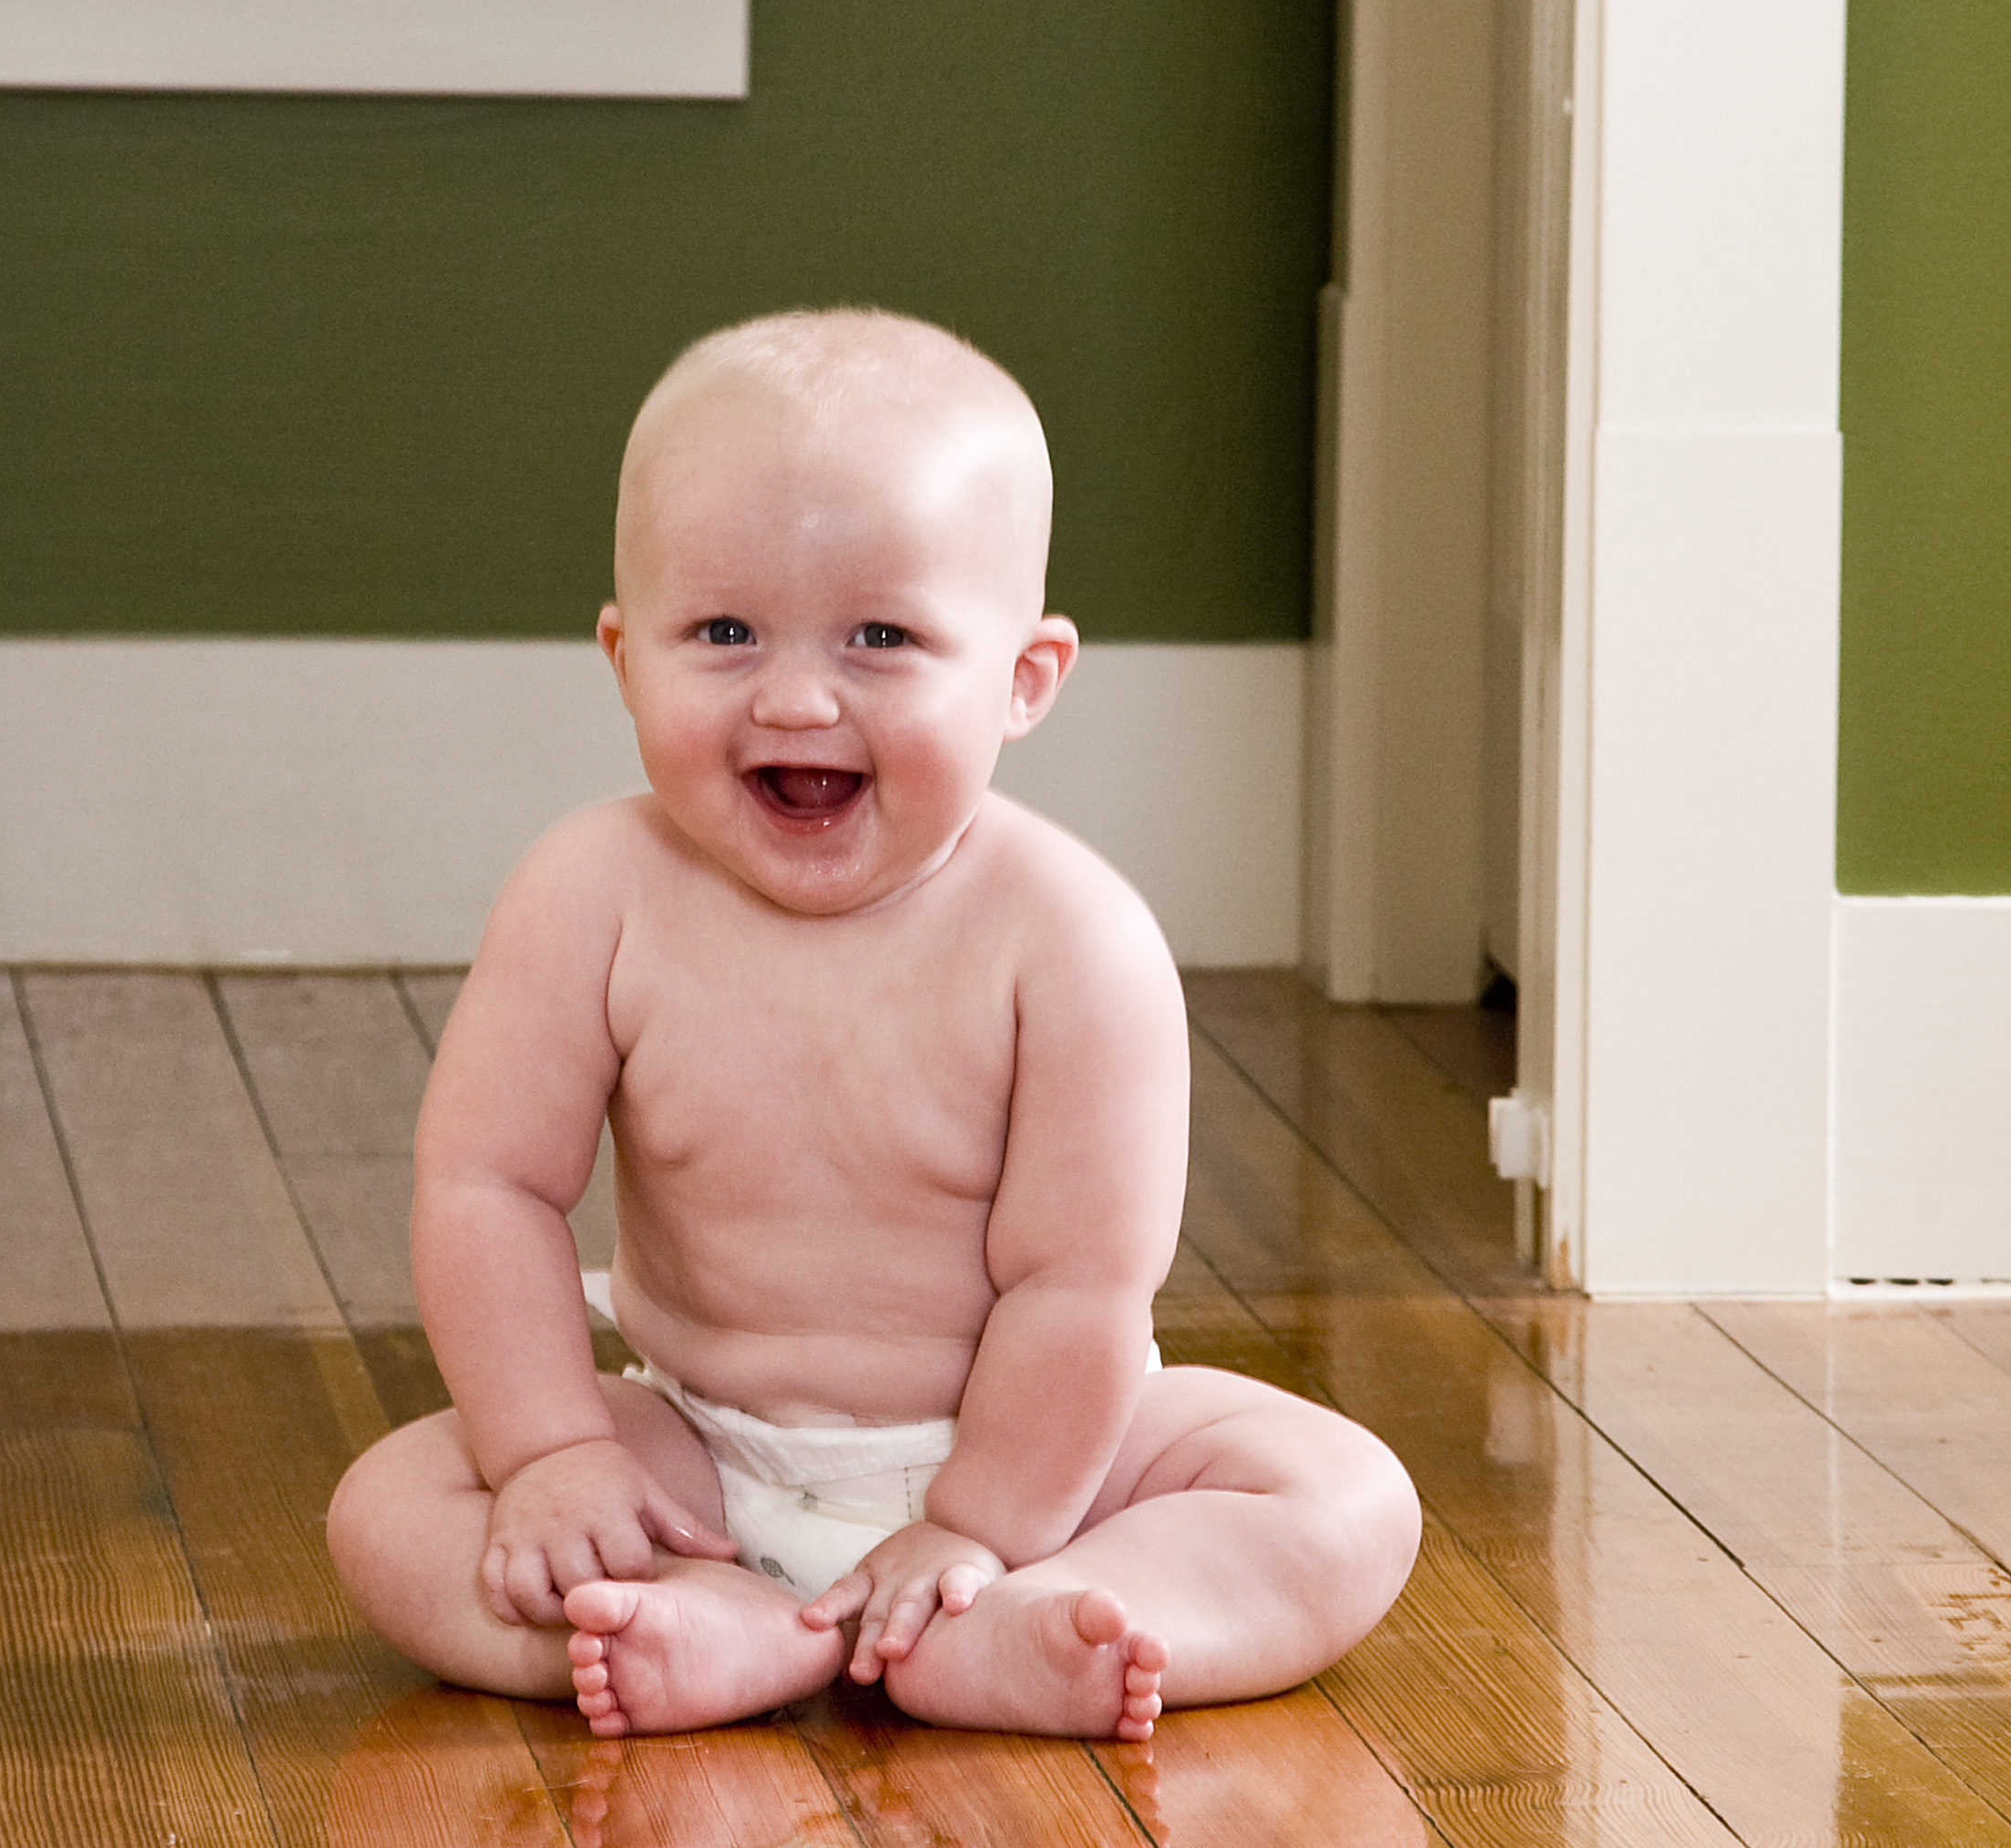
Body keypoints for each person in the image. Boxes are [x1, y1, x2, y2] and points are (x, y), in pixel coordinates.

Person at [326, 306, 1422, 1739]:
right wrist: (554, 1455)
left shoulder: (1070, 941)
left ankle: (1019, 1620)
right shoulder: (591, 895)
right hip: (706, 1452)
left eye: (883, 638)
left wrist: (979, 1522)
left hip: (1044, 1458)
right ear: (620, 656)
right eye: (721, 632)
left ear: (1024, 681)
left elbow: (1078, 1288)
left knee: (1343, 1501)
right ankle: (701, 1623)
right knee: (392, 1510)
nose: (795, 695)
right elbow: (490, 1188)